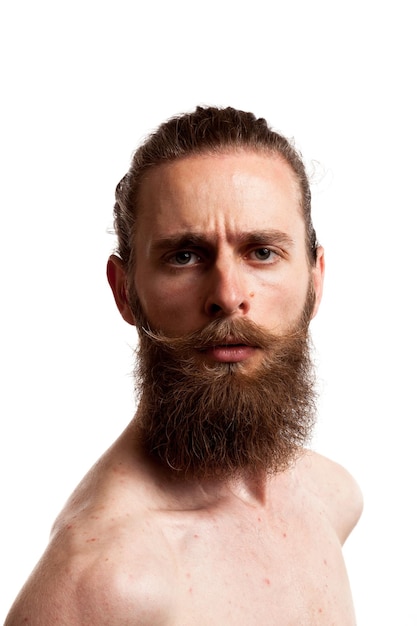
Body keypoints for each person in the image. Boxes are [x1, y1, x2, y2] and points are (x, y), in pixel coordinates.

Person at [5, 105, 363, 625]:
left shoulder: (332, 498)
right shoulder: (105, 580)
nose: (228, 295)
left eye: (261, 252)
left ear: (316, 279)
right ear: (124, 291)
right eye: (185, 257)